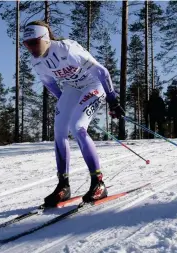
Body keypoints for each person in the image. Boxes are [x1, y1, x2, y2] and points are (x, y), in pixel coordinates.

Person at [23, 20, 125, 207]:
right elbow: (49, 84)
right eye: (26, 44)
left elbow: (102, 71)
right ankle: (64, 185)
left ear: (45, 38)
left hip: (93, 84)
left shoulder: (67, 49)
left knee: (78, 127)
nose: (30, 48)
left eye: (34, 42)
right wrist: (65, 102)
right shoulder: (37, 61)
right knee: (59, 131)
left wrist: (112, 99)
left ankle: (98, 182)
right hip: (73, 88)